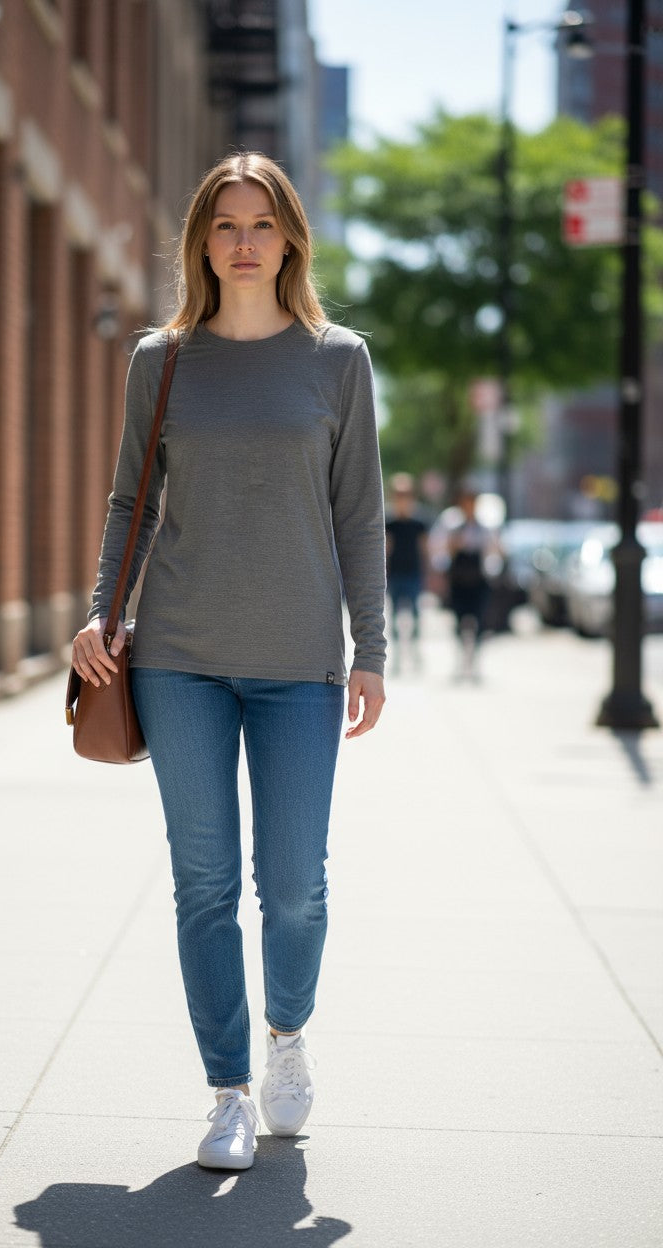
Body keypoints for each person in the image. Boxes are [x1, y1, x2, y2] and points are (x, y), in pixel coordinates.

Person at [71, 152, 387, 1172]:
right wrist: (98, 615)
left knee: (293, 885)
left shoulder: (338, 360)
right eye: (223, 226)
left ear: (290, 236)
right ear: (199, 242)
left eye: (261, 224)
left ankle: (286, 1035)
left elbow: (361, 516)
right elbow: (129, 501)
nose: (243, 243)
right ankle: (227, 1092)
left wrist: (371, 649)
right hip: (179, 656)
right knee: (203, 885)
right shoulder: (160, 361)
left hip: (299, 660)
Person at [446, 486, 494, 681]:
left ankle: (474, 663)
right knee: (458, 624)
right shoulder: (454, 527)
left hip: (477, 580)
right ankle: (461, 662)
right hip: (458, 581)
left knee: (479, 623)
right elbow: (447, 551)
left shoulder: (484, 529)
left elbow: (493, 550)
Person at [385, 473, 428, 672]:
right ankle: (396, 658)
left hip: (413, 574)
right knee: (393, 619)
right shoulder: (388, 522)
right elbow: (384, 550)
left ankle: (416, 654)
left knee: (415, 617)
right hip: (394, 576)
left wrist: (430, 574)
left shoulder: (419, 523)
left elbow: (425, 550)